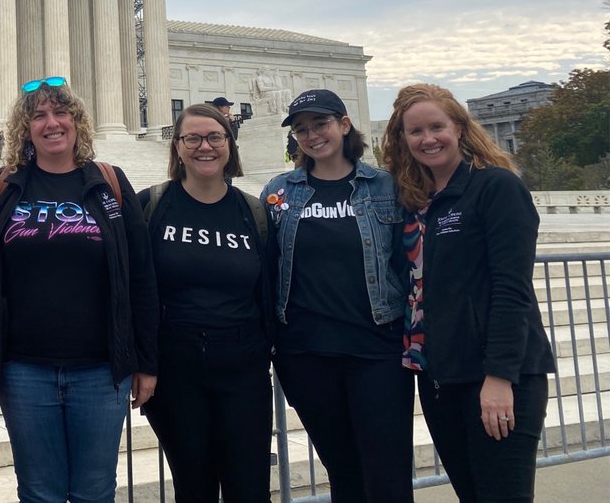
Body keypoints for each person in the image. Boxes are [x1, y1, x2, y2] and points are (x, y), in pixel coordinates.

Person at [0, 76, 159, 503]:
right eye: (38, 115)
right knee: (39, 491)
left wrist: (146, 361)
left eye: (61, 113)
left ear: (77, 122)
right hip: (24, 369)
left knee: (95, 491)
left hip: (100, 370)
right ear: (25, 128)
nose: (51, 123)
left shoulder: (109, 183)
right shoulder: (6, 186)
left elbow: (141, 276)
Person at [383, 84, 555, 503]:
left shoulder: (495, 188)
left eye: (437, 126)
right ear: (402, 139)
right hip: (441, 378)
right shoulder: (414, 201)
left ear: (459, 128)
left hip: (496, 376)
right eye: (415, 131)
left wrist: (499, 378)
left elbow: (511, 290)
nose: (428, 139)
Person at [262, 89, 412, 503]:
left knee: (387, 472)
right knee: (341, 469)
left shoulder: (385, 187)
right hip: (306, 353)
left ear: (344, 125)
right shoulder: (280, 192)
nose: (312, 135)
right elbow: (267, 265)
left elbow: (406, 262)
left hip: (377, 349)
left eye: (321, 124)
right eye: (302, 129)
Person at [138, 104, 274, 502]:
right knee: (192, 487)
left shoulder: (254, 213)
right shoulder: (152, 205)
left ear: (229, 145)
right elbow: (136, 287)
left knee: (248, 487)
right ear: (177, 147)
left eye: (215, 137)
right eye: (192, 138)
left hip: (242, 367)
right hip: (176, 368)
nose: (205, 147)